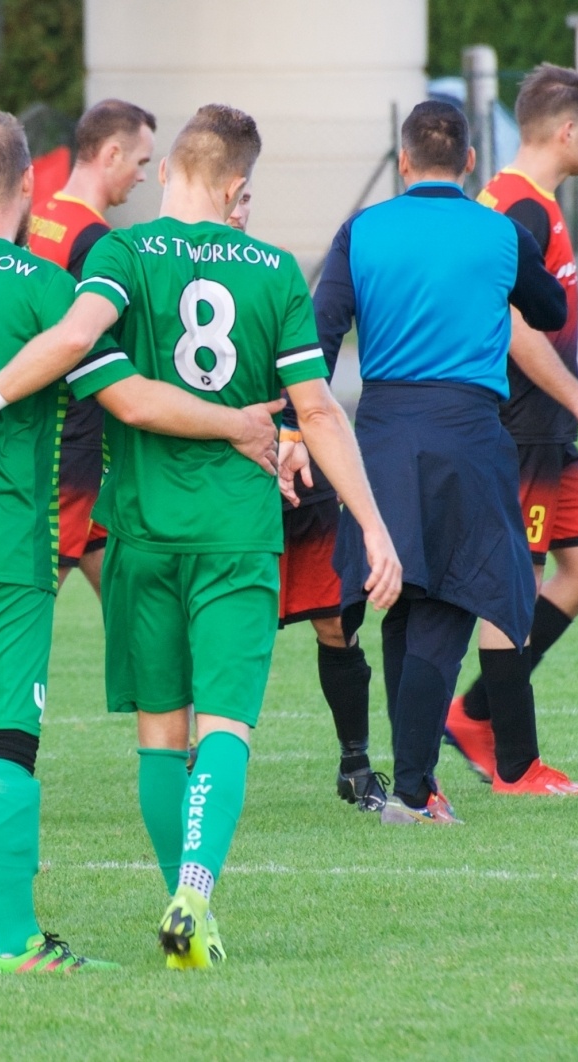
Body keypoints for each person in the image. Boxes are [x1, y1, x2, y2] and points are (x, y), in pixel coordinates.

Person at [0, 104, 401, 970]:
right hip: (236, 536)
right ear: (238, 189)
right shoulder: (272, 270)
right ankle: (194, 894)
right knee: (226, 724)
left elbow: (114, 383)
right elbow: (319, 407)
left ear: (172, 169)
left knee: (160, 732)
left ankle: (173, 893)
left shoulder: (118, 255)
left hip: (140, 534)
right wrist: (371, 524)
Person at [0, 104, 295, 973]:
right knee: (4, 739)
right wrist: (238, 424)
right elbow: (125, 398)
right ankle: (15, 942)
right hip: (2, 547)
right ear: (29, 182)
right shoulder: (47, 289)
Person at [314, 100, 567, 827]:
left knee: (406, 597)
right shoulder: (500, 231)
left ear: (402, 162)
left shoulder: (362, 230)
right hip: (467, 433)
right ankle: (418, 791)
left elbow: (321, 336)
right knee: (450, 603)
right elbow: (548, 310)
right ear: (468, 164)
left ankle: (413, 780)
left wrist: (302, 430)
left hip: (384, 435)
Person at [444, 63, 578, 794]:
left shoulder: (527, 200)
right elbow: (508, 321)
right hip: (522, 426)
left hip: (548, 430)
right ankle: (517, 766)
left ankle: (474, 714)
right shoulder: (520, 208)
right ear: (563, 130)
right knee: (512, 590)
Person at [227, 190, 390, 812]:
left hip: (300, 462)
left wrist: (296, 429)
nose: (241, 207)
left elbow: (316, 358)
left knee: (336, 619)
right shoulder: (176, 268)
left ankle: (355, 763)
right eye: (233, 196)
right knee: (225, 622)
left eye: (248, 196)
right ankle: (197, 756)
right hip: (233, 472)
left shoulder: (275, 271)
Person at [26, 98, 156, 593]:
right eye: (141, 162)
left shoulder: (38, 215)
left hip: (42, 430)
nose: (143, 176)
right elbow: (86, 346)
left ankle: (160, 672)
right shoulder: (98, 242)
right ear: (112, 154)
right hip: (74, 441)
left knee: (130, 595)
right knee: (30, 601)